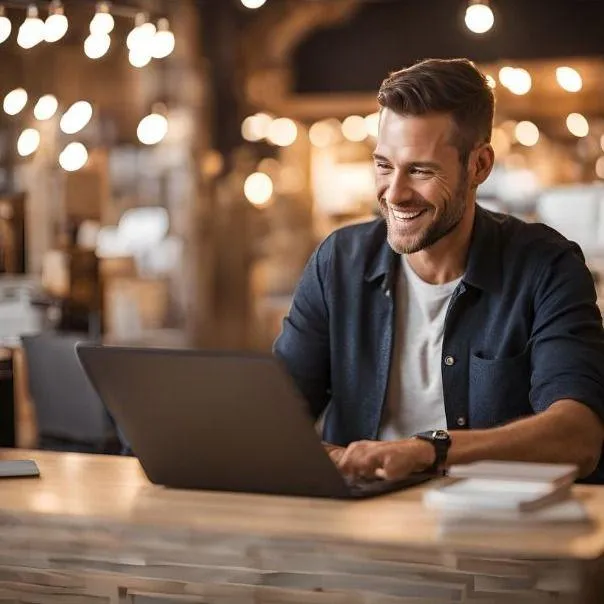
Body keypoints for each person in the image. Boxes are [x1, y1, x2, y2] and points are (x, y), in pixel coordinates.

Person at [273, 58, 604, 484]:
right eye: (384, 165)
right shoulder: (338, 261)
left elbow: (578, 435)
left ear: (479, 166)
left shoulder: (546, 267)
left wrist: (428, 450)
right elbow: (278, 416)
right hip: (359, 530)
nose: (394, 193)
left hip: (495, 533)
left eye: (421, 170)